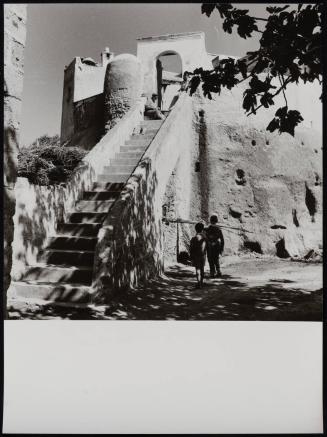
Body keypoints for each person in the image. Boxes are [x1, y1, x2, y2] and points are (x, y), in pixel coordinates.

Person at [205, 214, 224, 278]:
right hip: (216, 245)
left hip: (210, 245)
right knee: (216, 258)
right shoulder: (219, 229)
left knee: (210, 259)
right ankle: (218, 271)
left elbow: (206, 237)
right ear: (216, 221)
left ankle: (212, 273)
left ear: (210, 220)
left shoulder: (207, 228)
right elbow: (222, 240)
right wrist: (221, 248)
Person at [189, 222, 207, 288]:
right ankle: (201, 282)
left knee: (198, 269)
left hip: (196, 256)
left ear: (195, 229)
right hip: (203, 256)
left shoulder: (193, 239)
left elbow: (191, 248)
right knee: (202, 269)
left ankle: (199, 283)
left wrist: (191, 257)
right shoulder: (205, 238)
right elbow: (207, 247)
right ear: (202, 229)